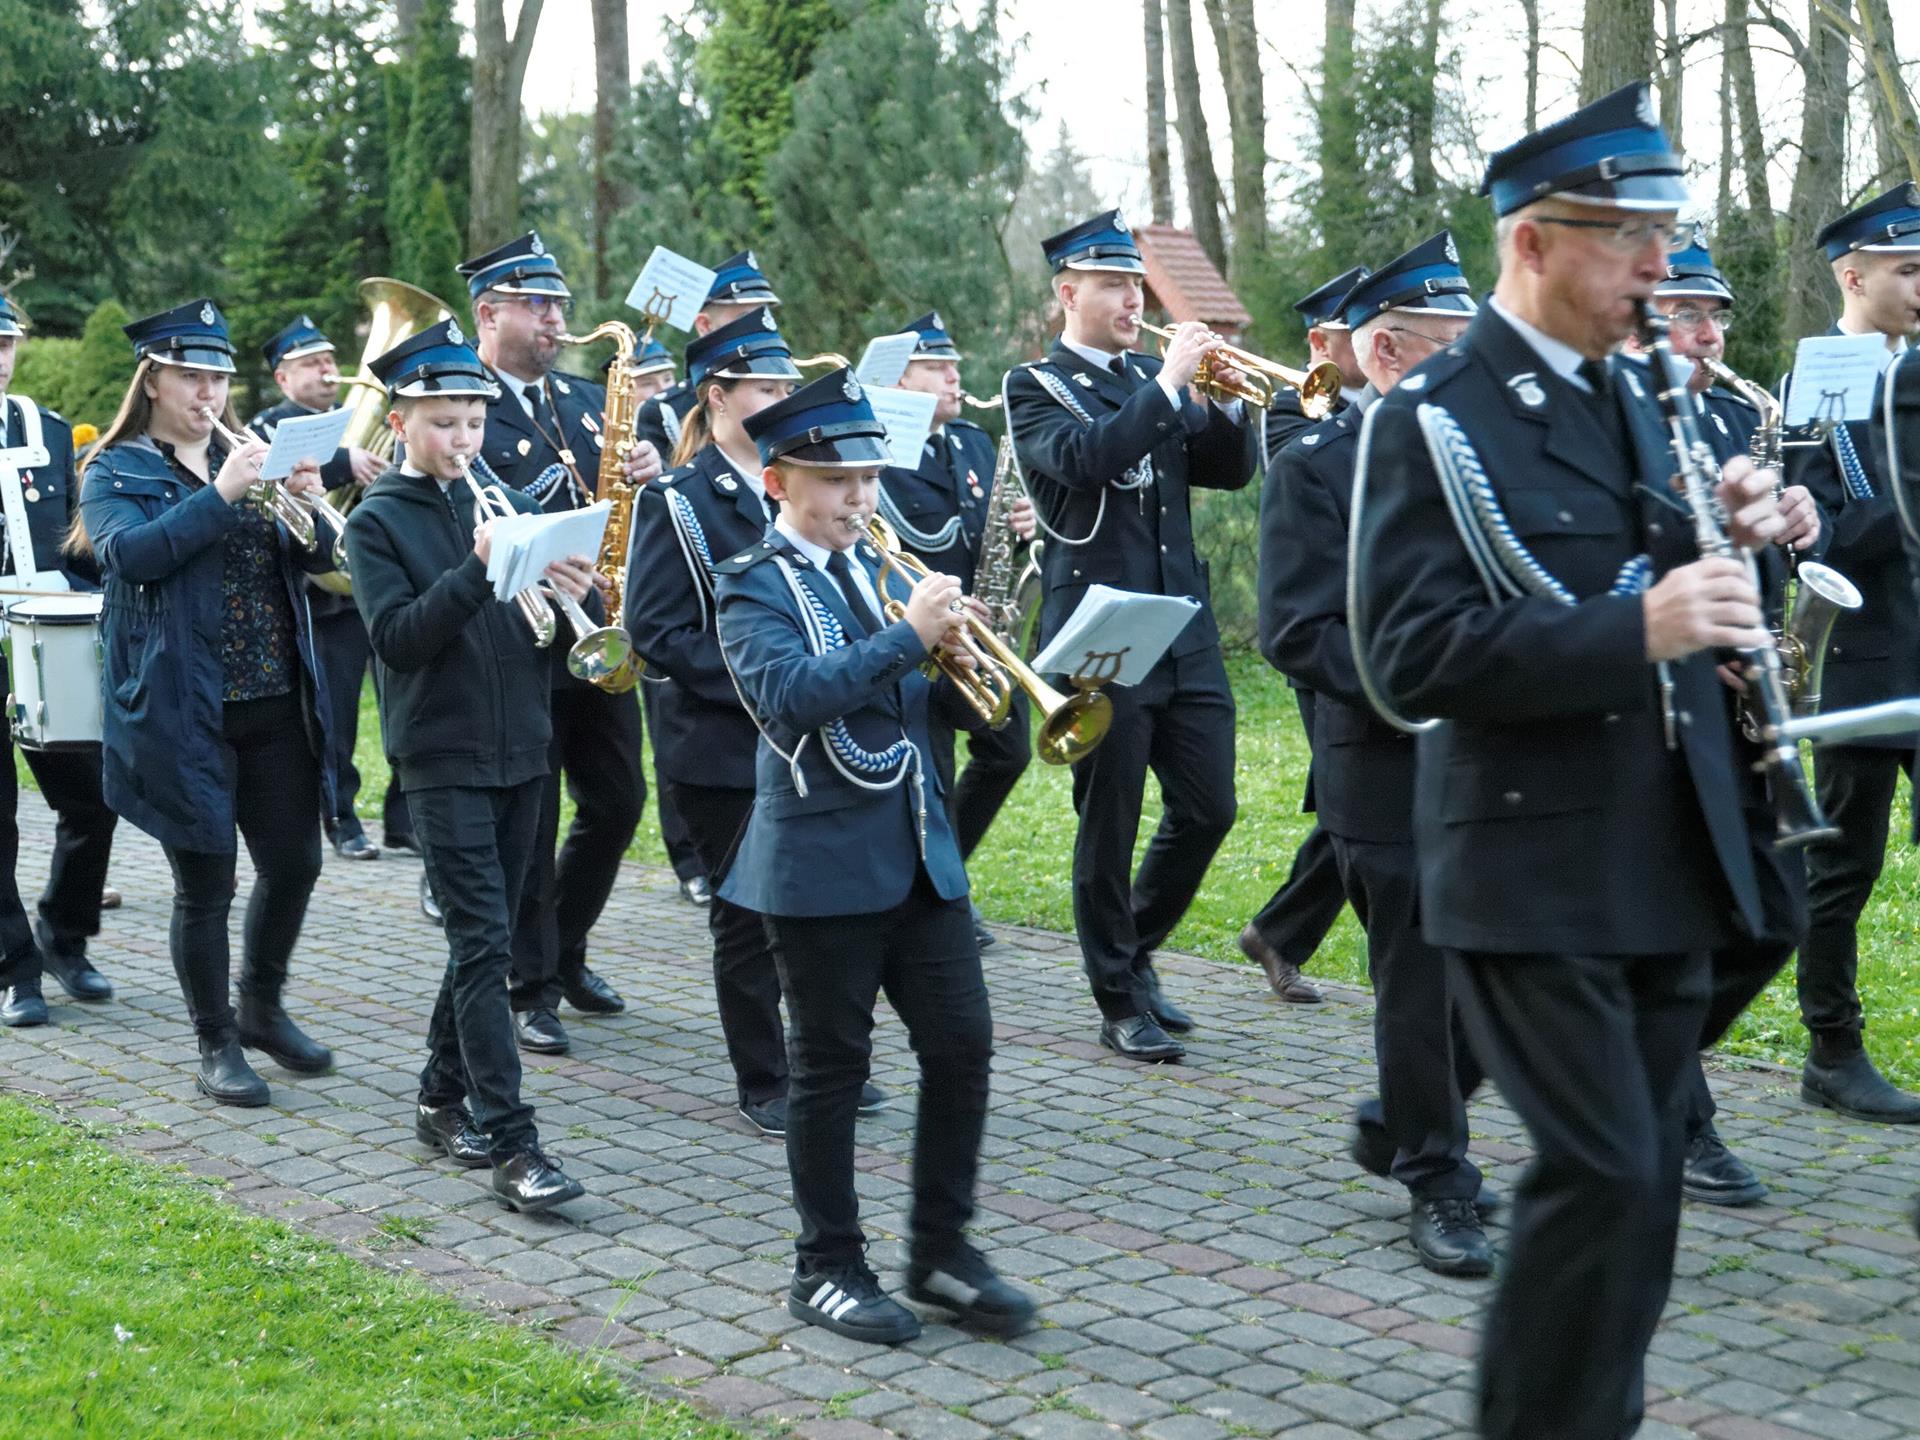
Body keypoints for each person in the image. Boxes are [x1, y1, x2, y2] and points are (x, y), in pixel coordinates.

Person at [1353, 83, 1792, 1439]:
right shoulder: (1435, 413)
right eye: (1629, 238)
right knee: (1599, 1170)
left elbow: (1627, 566)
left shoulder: (1634, 392)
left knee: (1644, 1187)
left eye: (1665, 233)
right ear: (1534, 242)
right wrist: (1639, 624)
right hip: (1528, 862)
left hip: (1664, 847)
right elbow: (1408, 659)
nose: (1661, 267)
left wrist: (1723, 532)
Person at [715, 366, 1032, 1345]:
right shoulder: (753, 583)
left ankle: (940, 1248)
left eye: (868, 478)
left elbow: (922, 713)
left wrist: (965, 666)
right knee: (830, 1071)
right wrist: (908, 638)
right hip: (819, 865)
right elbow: (790, 697)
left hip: (918, 851)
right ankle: (826, 1266)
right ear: (780, 483)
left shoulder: (880, 570)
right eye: (836, 481)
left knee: (963, 1048)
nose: (859, 498)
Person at [1263, 233, 1494, 1276]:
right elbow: (1296, 630)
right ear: (1389, 352)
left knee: (1515, 968)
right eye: (1455, 345)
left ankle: (1405, 1119)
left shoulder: (1489, 455)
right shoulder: (1316, 466)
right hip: (1386, 763)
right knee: (1420, 983)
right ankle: (1439, 1179)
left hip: (1498, 758)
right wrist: (1425, 679)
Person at [627, 306, 892, 1134]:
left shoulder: (815, 484)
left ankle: (824, 1060)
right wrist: (761, 680)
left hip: (814, 736)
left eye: (786, 386)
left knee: (818, 911)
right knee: (747, 920)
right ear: (716, 395)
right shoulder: (677, 499)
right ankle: (765, 1077)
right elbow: (657, 631)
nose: (782, 399)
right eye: (765, 388)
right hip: (721, 744)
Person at [346, 317, 589, 1214]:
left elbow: (525, 633)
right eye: (444, 423)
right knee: (485, 942)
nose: (463, 440)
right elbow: (399, 640)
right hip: (440, 754)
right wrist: (479, 572)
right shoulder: (376, 522)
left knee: (484, 938)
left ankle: (439, 1096)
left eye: (474, 422)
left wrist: (565, 588)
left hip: (522, 743)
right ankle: (514, 1144)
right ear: (401, 422)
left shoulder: (501, 497)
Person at [1004, 208, 1255, 1062]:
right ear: (1067, 294)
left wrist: (1222, 399)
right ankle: (1117, 996)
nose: (1131, 299)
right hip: (1101, 635)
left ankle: (1134, 950)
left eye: (1135, 284)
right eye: (1112, 284)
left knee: (1210, 807)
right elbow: (1086, 459)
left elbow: (1228, 471)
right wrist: (1170, 387)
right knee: (1108, 823)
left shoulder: (1158, 376)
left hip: (1182, 625)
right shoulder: (1036, 386)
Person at [75, 299, 339, 1106]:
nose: (209, 393)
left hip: (274, 698)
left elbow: (321, 559)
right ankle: (215, 1040)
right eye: (191, 376)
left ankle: (261, 1007)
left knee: (295, 863)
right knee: (206, 887)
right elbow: (131, 557)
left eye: (218, 378)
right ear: (153, 379)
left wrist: (308, 501)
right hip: (182, 709)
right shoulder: (115, 469)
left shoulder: (247, 455)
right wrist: (221, 494)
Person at [1626, 227, 1824, 1206]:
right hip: (1663, 699)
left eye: (1715, 317)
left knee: (1777, 910)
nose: (1708, 336)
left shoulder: (1738, 415)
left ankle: (1641, 1070)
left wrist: (1801, 520)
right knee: (1684, 920)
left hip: (1750, 699)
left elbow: (1749, 553)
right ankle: (1678, 1116)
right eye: (1686, 315)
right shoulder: (1624, 419)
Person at [458, 230, 661, 1053]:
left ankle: (564, 946)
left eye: (560, 305)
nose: (554, 319)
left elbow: (622, 508)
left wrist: (646, 466)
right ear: (489, 313)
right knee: (532, 822)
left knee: (619, 802)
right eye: (537, 305)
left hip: (598, 626)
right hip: (522, 635)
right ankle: (529, 984)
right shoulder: (462, 400)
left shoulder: (583, 399)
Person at [1782, 183, 1920, 1123]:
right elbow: (1817, 535)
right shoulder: (1819, 385)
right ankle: (1831, 1049)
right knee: (1842, 868)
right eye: (1908, 270)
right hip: (1864, 663)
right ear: (1854, 276)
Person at [877, 309, 1035, 948]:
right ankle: (938, 898)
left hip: (983, 638)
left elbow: (987, 537)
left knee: (1010, 752)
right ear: (899, 379)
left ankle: (946, 872)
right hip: (923, 640)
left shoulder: (971, 442)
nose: (953, 377)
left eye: (954, 366)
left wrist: (1023, 530)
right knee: (933, 771)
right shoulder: (879, 454)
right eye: (936, 367)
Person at [1239, 266, 1372, 1005]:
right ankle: (1279, 933)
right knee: (1354, 805)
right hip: (1323, 637)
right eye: (1357, 332)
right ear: (1321, 343)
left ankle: (1277, 933)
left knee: (1355, 805)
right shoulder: (1291, 410)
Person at [0, 291, 119, 1027]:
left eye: (6, 343)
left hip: (51, 638)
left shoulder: (44, 427)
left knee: (93, 798)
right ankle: (17, 971)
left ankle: (63, 936)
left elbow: (77, 544)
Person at [249, 314, 405, 862]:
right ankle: (340, 816)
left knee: (405, 705)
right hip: (324, 596)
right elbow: (270, 470)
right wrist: (346, 461)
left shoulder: (352, 419)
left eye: (329, 360)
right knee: (335, 715)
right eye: (311, 364)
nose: (326, 370)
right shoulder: (271, 425)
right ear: (282, 378)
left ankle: (405, 820)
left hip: (376, 586)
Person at [605, 337, 709, 906]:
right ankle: (688, 857)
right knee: (667, 718)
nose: (660, 390)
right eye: (648, 382)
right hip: (649, 586)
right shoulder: (652, 420)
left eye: (666, 378)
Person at [633, 251, 784, 463]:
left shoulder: (789, 394)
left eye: (764, 316)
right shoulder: (665, 411)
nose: (759, 326)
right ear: (704, 325)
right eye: (745, 318)